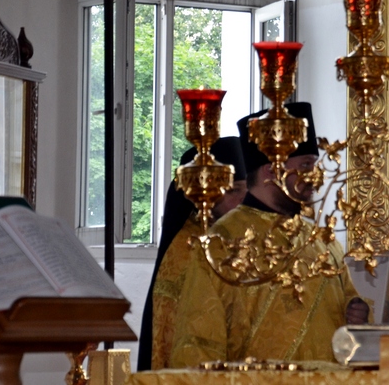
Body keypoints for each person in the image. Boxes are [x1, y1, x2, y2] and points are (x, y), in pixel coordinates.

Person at [169, 103, 369, 366]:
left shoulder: (323, 240)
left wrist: (357, 311)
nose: (316, 175)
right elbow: (198, 342)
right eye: (306, 164)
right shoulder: (220, 243)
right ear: (272, 171)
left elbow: (348, 304)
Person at [137, 136, 248, 371]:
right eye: (234, 191)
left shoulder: (248, 237)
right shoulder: (187, 247)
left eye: (247, 190)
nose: (243, 200)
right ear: (208, 194)